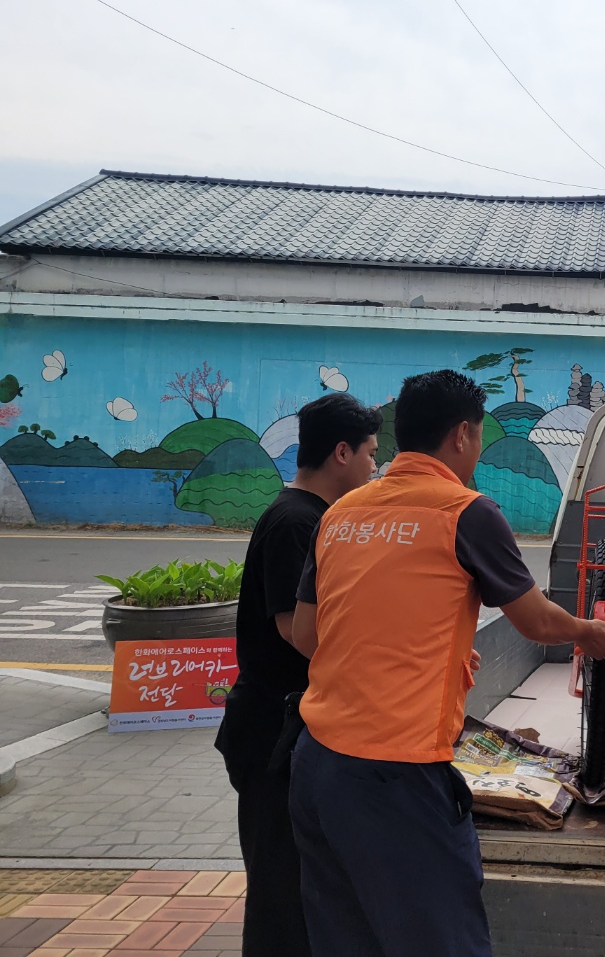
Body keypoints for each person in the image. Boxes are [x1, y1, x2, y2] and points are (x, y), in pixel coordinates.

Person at [287, 370, 605, 957]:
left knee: (346, 940)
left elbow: (308, 635)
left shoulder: (341, 513)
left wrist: (412, 648)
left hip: (316, 766)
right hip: (397, 775)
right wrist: (589, 633)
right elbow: (537, 622)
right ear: (462, 435)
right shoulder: (465, 512)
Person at [213, 392, 381, 957]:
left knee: (302, 888)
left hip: (291, 730)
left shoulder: (317, 519)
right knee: (279, 893)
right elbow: (297, 631)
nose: (374, 466)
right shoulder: (295, 523)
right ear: (342, 453)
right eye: (371, 454)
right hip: (270, 735)